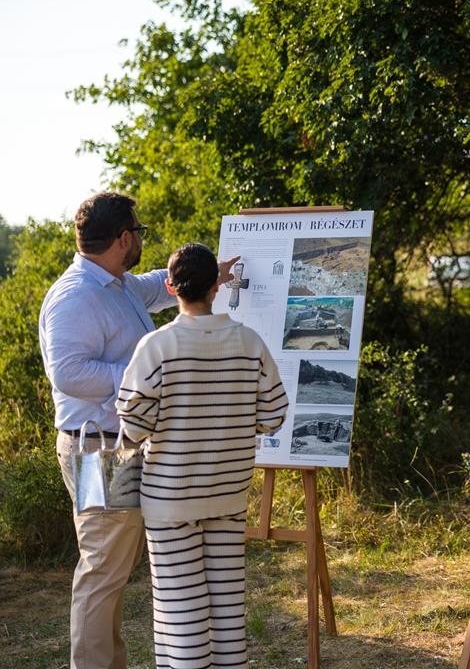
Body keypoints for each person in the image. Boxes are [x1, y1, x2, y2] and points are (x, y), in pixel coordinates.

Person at [40, 192, 237, 669]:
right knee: (102, 568)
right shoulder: (74, 297)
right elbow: (67, 374)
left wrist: (215, 272)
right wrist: (138, 373)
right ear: (124, 238)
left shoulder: (118, 282)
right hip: (97, 452)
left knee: (111, 568)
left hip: (116, 447)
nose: (141, 241)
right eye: (140, 232)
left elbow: (159, 286)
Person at [116, 243, 288, 669]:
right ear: (217, 285)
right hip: (228, 495)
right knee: (228, 609)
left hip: (169, 499)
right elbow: (273, 415)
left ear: (170, 286)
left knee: (182, 613)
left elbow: (134, 425)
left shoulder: (155, 347)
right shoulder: (250, 343)